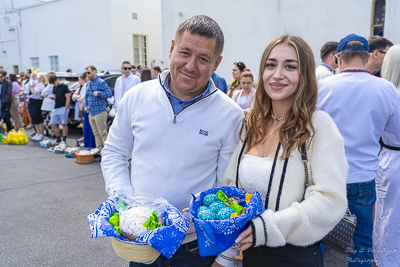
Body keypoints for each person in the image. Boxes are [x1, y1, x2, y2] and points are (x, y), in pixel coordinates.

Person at [101, 15, 244, 267]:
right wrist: (123, 201)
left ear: (216, 63)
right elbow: (114, 153)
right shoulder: (137, 97)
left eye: (203, 59)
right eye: (184, 52)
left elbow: (228, 186)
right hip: (142, 242)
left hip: (195, 248)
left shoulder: (230, 114)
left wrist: (226, 256)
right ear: (171, 48)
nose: (190, 65)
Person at [223, 34, 347, 267]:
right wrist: (215, 209)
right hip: (249, 254)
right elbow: (233, 184)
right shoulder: (251, 123)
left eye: (290, 66)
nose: (277, 74)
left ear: (305, 74)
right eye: (271, 65)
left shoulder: (319, 126)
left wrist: (268, 228)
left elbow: (330, 200)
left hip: (295, 256)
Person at [317, 34, 400, 267]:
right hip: (364, 176)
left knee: (317, 236)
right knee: (362, 240)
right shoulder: (387, 89)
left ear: (338, 59)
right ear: (366, 58)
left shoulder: (322, 88)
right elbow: (395, 134)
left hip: (327, 174)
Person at [373, 44, 400, 267]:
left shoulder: (386, 95)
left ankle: (387, 261)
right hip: (391, 157)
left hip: (390, 161)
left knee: (388, 216)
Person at [84, 65, 112, 156]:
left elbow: (109, 93)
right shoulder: (88, 83)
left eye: (89, 72)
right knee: (96, 133)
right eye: (86, 73)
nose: (87, 75)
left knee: (102, 132)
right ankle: (99, 150)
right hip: (91, 112)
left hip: (100, 111)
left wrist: (99, 93)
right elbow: (86, 96)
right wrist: (85, 105)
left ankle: (107, 152)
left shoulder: (101, 82)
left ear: (94, 72)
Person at [49, 74, 70, 144]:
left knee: (64, 123)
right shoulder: (54, 87)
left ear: (57, 80)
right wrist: (53, 98)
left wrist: (66, 107)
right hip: (56, 107)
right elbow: (55, 96)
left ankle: (64, 139)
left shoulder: (64, 86)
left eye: (54, 83)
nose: (54, 84)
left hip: (63, 106)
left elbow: (68, 97)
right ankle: (58, 138)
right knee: (53, 123)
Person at [29, 74, 46, 141]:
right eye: (39, 77)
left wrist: (31, 86)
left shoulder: (41, 85)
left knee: (38, 118)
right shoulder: (36, 83)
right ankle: (38, 132)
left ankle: (41, 133)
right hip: (33, 101)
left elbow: (33, 91)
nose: (39, 78)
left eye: (41, 77)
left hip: (37, 102)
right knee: (34, 118)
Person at [71, 73, 87, 145]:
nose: (78, 81)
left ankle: (85, 137)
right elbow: (73, 97)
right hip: (80, 108)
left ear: (84, 80)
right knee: (83, 123)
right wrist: (78, 96)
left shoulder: (85, 87)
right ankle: (84, 137)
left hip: (84, 107)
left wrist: (77, 97)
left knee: (85, 124)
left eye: (80, 80)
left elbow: (81, 98)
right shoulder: (79, 88)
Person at [41, 72, 55, 138]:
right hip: (46, 106)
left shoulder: (51, 85)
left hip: (50, 106)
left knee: (49, 121)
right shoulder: (49, 84)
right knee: (46, 121)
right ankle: (47, 134)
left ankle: (51, 134)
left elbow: (43, 93)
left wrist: (44, 93)